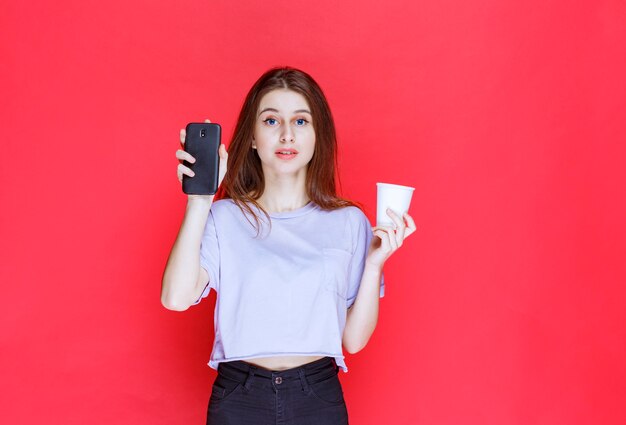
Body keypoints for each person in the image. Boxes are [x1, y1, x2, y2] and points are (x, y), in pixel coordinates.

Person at [161, 67, 416, 425]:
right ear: (251, 137)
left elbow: (354, 341)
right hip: (239, 398)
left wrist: (374, 265)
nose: (285, 135)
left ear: (317, 136)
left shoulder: (348, 221)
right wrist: (200, 200)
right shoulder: (223, 216)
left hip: (317, 397)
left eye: (300, 121)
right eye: (270, 121)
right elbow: (175, 298)